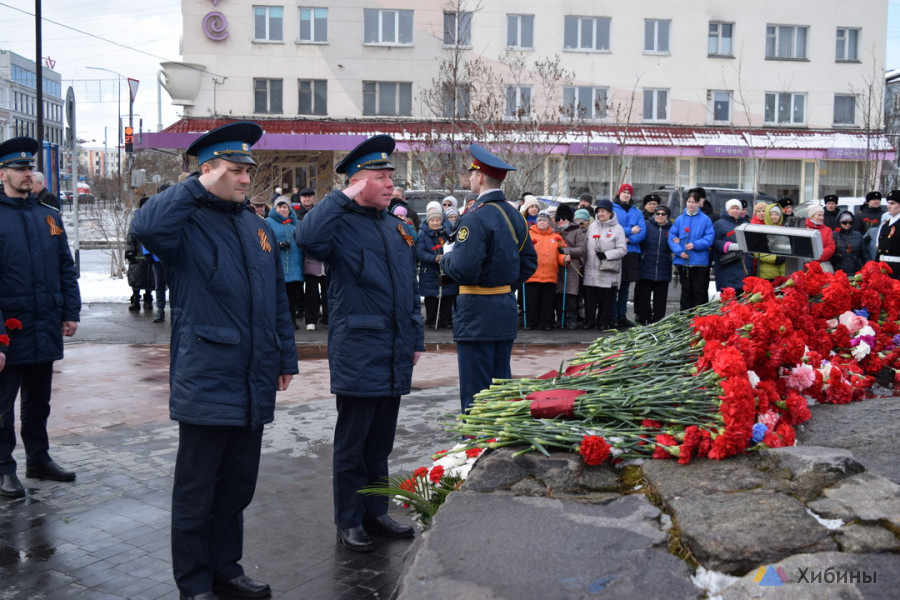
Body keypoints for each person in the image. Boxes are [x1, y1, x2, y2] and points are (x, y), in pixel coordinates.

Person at [131, 122, 298, 600]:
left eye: (249, 169)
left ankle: (226, 567)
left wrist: (285, 356)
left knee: (237, 486)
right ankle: (194, 581)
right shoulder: (184, 223)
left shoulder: (256, 227)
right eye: (235, 170)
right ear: (207, 172)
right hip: (207, 374)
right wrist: (194, 186)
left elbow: (276, 301)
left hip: (253, 376)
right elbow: (145, 226)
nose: (247, 178)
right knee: (196, 491)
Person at [294, 134, 424, 553]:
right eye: (380, 177)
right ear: (355, 183)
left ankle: (376, 511)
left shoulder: (398, 228)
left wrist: (416, 336)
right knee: (352, 443)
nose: (390, 183)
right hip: (359, 349)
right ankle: (348, 520)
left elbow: (410, 290)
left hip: (394, 350)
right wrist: (341, 197)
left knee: (380, 442)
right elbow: (307, 239)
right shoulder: (338, 223)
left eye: (391, 176)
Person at [0, 137, 81, 499]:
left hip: (44, 324)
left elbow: (66, 267)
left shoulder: (49, 217)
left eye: (30, 167)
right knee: (3, 406)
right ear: (2, 174)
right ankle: (4, 469)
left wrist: (70, 311)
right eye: (20, 169)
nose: (28, 173)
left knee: (38, 401)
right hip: (9, 329)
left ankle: (39, 459)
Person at [440, 144, 537, 413]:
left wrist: (446, 259)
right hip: (503, 308)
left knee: (476, 393)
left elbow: (464, 268)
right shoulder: (514, 215)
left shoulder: (475, 217)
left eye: (472, 173)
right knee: (499, 390)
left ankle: (473, 448)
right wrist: (503, 285)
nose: (470, 177)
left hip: (476, 313)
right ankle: (496, 450)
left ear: (480, 177)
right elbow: (529, 262)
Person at [582, 199, 627, 330]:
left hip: (608, 270)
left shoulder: (618, 229)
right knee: (590, 299)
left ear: (609, 212)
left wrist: (607, 254)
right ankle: (589, 321)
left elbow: (622, 250)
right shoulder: (592, 226)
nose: (600, 214)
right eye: (599, 211)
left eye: (603, 211)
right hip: (591, 269)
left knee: (606, 300)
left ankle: (603, 322)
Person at [669, 192, 715, 310]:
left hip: (699, 262)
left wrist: (695, 245)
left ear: (699, 203)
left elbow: (709, 238)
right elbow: (672, 237)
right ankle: (684, 317)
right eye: (689, 202)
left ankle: (698, 319)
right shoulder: (680, 219)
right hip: (684, 261)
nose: (691, 205)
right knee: (685, 291)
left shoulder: (705, 220)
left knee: (698, 291)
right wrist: (679, 252)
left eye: (693, 202)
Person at [611, 183, 646, 328]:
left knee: (625, 287)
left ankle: (622, 316)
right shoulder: (612, 209)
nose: (626, 195)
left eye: (628, 193)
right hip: (615, 252)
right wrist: (630, 231)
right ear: (619, 193)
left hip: (631, 253)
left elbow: (642, 232)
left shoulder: (637, 212)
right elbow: (612, 229)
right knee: (613, 287)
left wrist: (629, 239)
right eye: (623, 192)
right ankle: (612, 316)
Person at [524, 210, 566, 330]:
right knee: (532, 301)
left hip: (550, 275)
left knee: (547, 302)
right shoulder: (529, 235)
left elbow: (561, 253)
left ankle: (546, 323)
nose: (542, 222)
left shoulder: (556, 237)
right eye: (540, 220)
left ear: (549, 223)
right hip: (533, 275)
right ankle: (531, 322)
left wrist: (564, 259)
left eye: (545, 220)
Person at [268, 196, 305, 329]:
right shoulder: (268, 222)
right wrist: (278, 244)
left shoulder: (296, 223)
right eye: (279, 207)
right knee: (278, 295)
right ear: (275, 208)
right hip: (277, 266)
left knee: (292, 296)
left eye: (285, 207)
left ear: (289, 209)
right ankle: (277, 321)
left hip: (294, 265)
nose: (282, 209)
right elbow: (263, 241)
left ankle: (291, 320)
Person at [416, 207, 456, 328]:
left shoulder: (446, 232)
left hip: (446, 269)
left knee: (448, 295)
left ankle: (445, 319)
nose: (435, 222)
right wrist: (434, 258)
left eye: (437, 220)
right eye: (432, 220)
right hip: (429, 271)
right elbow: (420, 252)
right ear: (428, 221)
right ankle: (432, 320)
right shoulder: (423, 234)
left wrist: (447, 256)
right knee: (431, 297)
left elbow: (453, 246)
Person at [635, 204, 673, 325]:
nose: (660, 216)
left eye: (663, 214)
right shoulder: (646, 225)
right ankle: (644, 320)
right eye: (658, 213)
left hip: (663, 268)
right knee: (644, 298)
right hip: (646, 267)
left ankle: (658, 322)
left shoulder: (671, 228)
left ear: (667, 216)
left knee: (660, 300)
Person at [553, 203, 586, 329]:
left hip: (572, 266)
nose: (561, 221)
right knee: (558, 293)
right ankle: (560, 318)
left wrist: (567, 251)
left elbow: (581, 249)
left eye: (564, 219)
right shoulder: (554, 232)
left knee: (571, 293)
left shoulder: (577, 231)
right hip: (557, 266)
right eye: (559, 219)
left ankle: (571, 318)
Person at [712, 199, 752, 295]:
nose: (735, 211)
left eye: (737, 208)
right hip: (727, 266)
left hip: (744, 267)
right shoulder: (719, 224)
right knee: (729, 299)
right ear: (727, 210)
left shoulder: (746, 224)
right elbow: (715, 242)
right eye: (732, 208)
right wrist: (730, 246)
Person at [125, 197, 154, 311]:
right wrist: (130, 251)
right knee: (136, 277)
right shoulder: (136, 219)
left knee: (149, 277)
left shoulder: (153, 218)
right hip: (137, 253)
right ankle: (136, 299)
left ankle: (148, 299)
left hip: (149, 253)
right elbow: (130, 236)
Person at [831, 210, 870, 275]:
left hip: (855, 270)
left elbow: (865, 255)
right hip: (838, 270)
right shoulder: (834, 235)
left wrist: (870, 267)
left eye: (850, 222)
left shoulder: (858, 235)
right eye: (844, 222)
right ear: (839, 222)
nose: (847, 225)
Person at [757, 204, 787, 281]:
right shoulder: (761, 230)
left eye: (776, 214)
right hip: (767, 274)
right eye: (772, 214)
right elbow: (757, 251)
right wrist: (774, 259)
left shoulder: (785, 230)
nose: (774, 217)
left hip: (783, 274)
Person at [803, 204, 836, 272]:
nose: (822, 218)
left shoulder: (827, 230)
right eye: (819, 215)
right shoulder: (804, 229)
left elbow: (831, 247)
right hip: (806, 266)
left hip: (823, 266)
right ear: (811, 216)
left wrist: (817, 257)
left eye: (822, 215)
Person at [876, 190, 900, 280]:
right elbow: (879, 250)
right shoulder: (885, 224)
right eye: (888, 203)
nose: (888, 206)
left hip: (897, 272)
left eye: (892, 203)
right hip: (883, 271)